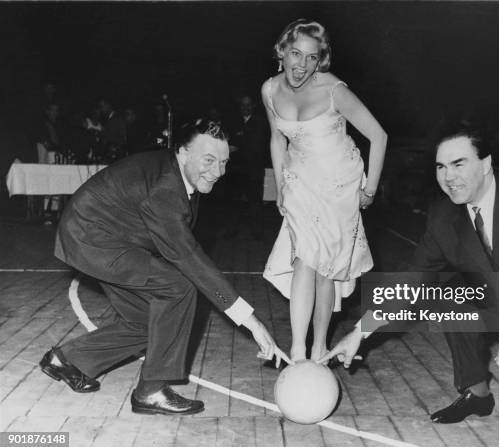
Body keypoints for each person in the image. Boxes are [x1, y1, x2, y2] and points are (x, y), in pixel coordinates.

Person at [321, 124, 499, 431]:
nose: (449, 177)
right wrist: (360, 332)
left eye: (459, 164)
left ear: (485, 164)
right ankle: (476, 393)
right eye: (441, 167)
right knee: (449, 298)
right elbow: (413, 279)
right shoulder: (444, 216)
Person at [39, 119, 290, 416]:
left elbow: (176, 245)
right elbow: (190, 258)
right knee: (178, 289)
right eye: (208, 160)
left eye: (223, 162)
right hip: (92, 237)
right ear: (183, 154)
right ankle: (151, 392)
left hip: (109, 235)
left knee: (152, 322)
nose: (218, 172)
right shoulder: (165, 190)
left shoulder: (176, 174)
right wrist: (253, 323)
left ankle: (65, 359)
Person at [261, 19, 387, 362]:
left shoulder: (334, 90)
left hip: (339, 183)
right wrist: (280, 188)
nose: (301, 65)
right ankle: (298, 349)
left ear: (321, 61)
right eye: (295, 54)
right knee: (304, 257)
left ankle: (319, 346)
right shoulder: (270, 90)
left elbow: (379, 136)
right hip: (300, 179)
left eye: (311, 58)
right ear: (282, 51)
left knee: (326, 269)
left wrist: (370, 190)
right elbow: (277, 138)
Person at [226, 94, 270, 239]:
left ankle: (257, 234)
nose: (245, 108)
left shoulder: (260, 122)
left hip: (254, 170)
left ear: (254, 106)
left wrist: (238, 144)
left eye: (248, 105)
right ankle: (231, 231)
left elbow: (256, 146)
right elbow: (229, 140)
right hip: (236, 169)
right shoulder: (234, 122)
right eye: (243, 105)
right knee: (233, 201)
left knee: (255, 202)